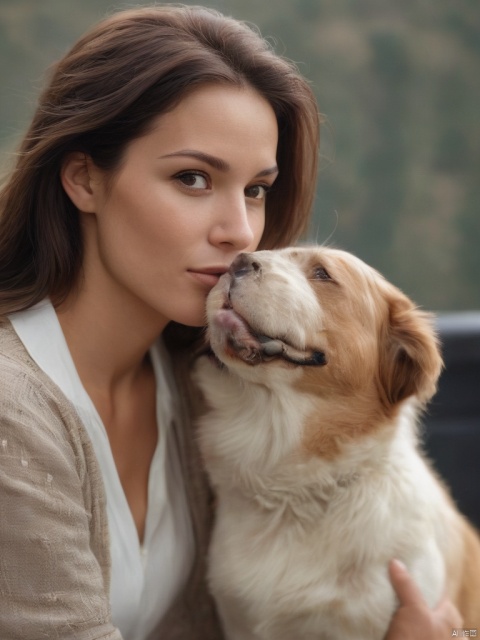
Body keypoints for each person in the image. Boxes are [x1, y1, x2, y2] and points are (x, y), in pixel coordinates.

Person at [0, 5, 462, 639]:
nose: (242, 234)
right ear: (84, 179)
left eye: (256, 189)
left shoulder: (210, 379)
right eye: (192, 179)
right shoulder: (13, 412)